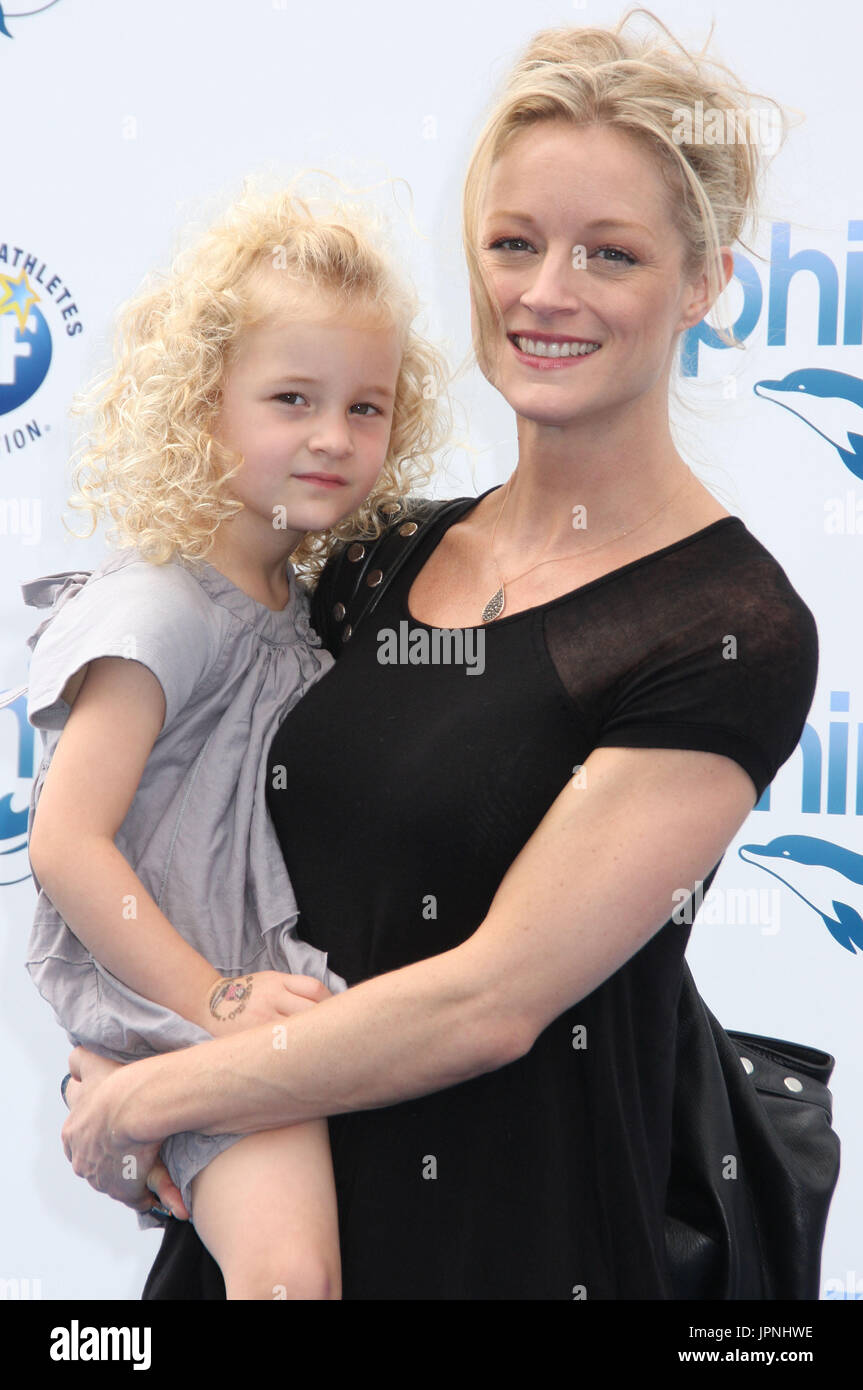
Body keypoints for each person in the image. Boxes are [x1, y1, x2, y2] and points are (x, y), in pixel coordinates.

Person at [60, 11, 819, 1300]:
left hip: (517, 1240)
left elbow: (487, 1002)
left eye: (608, 253)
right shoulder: (370, 551)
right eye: (513, 243)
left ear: (703, 283)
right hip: (272, 1220)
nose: (545, 291)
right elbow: (184, 840)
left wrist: (150, 1093)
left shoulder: (723, 625)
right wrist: (120, 1046)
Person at [23, 185, 448, 1300]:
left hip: (256, 1006)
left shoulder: (299, 605)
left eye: (366, 407)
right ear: (204, 406)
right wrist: (207, 1001)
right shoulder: (164, 607)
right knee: (289, 1281)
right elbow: (68, 842)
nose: (331, 436)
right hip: (199, 1007)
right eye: (291, 397)